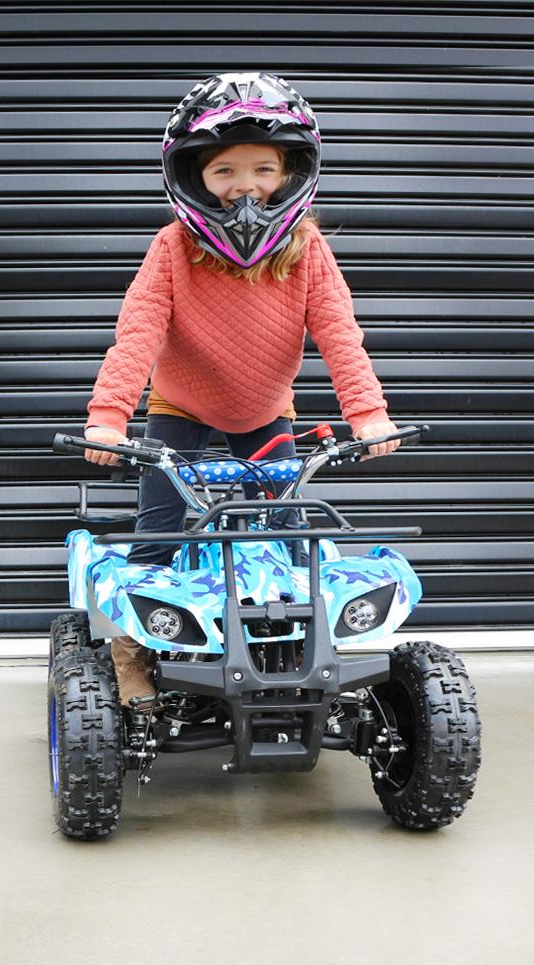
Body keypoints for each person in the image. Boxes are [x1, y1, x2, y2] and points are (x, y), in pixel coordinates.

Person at [81, 72, 401, 709]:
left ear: (291, 174)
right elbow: (137, 332)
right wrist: (109, 416)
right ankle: (133, 656)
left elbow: (341, 334)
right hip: (180, 408)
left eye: (263, 167)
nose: (245, 186)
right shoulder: (173, 247)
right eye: (225, 171)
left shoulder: (307, 252)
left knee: (286, 534)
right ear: (195, 177)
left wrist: (367, 414)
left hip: (265, 413)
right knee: (160, 532)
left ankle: (286, 654)